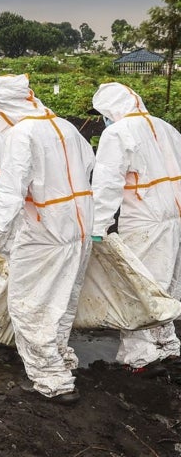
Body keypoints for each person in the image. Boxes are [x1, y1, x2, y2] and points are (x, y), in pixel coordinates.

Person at [0, 74, 94, 404]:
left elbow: (9, 192)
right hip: (79, 227)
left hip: (45, 232)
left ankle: (53, 382)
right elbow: (89, 164)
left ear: (0, 105)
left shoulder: (23, 133)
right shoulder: (63, 125)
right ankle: (61, 362)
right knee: (61, 303)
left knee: (29, 306)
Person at [89, 82, 181, 371]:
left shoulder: (117, 133)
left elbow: (107, 182)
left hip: (144, 217)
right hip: (173, 214)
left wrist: (98, 225)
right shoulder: (164, 126)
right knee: (164, 283)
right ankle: (166, 343)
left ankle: (140, 357)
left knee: (136, 286)